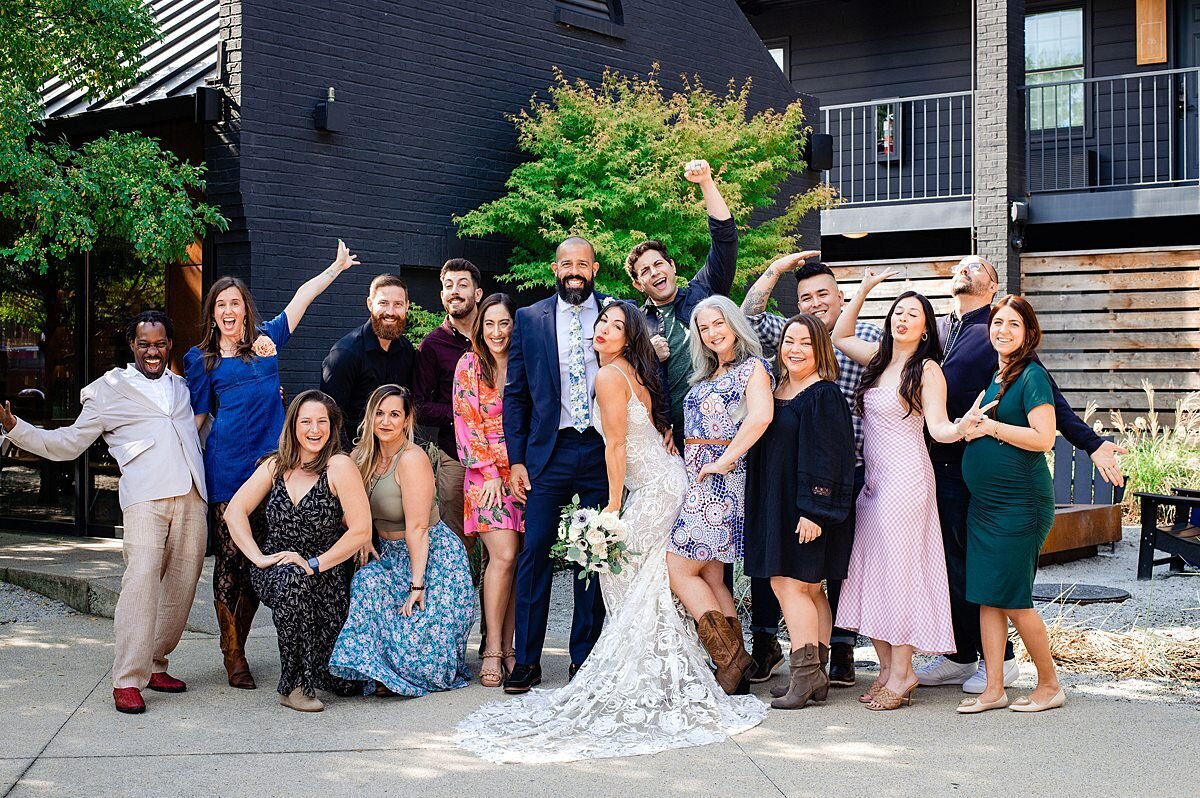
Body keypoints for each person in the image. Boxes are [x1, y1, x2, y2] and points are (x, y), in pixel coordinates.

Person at [456, 301, 767, 763]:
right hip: (669, 479)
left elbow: (617, 446)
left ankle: (657, 669)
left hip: (657, 489)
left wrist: (614, 510)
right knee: (665, 575)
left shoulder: (607, 376)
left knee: (623, 569)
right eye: (602, 322)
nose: (603, 329)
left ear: (629, 336)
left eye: (616, 326)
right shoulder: (629, 371)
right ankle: (722, 666)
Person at [915, 255, 1126, 694]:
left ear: (992, 286)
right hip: (936, 465)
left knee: (984, 571)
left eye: (975, 267)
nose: (963, 269)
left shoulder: (999, 337)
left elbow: (1049, 401)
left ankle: (1004, 663)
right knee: (954, 568)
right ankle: (959, 655)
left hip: (990, 484)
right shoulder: (936, 331)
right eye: (958, 265)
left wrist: (1092, 442)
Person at [1, 312, 206, 715]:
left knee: (182, 587)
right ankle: (128, 679)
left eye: (160, 343)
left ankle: (156, 662)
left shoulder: (183, 388)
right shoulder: (108, 389)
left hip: (191, 496)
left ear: (170, 346)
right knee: (141, 582)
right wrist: (15, 427)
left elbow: (201, 430)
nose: (153, 351)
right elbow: (69, 443)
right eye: (144, 343)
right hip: (145, 498)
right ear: (132, 344)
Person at [185, 240, 359, 690]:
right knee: (228, 560)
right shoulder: (201, 360)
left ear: (245, 309)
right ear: (213, 312)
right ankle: (233, 653)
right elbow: (198, 422)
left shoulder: (267, 340)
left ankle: (244, 638)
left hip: (273, 466)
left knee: (264, 558)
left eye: (235, 303)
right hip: (227, 467)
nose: (228, 310)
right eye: (220, 304)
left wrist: (335, 268)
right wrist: (188, 474)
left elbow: (302, 297)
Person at [830, 268, 982, 712]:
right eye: (898, 312)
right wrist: (864, 288)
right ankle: (886, 671)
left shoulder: (926, 369)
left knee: (897, 576)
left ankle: (904, 671)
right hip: (875, 483)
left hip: (906, 481)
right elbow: (841, 335)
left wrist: (963, 427)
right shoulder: (878, 358)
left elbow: (937, 426)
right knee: (872, 573)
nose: (903, 319)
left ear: (926, 326)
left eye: (913, 314)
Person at [742, 255, 880, 687]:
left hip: (833, 479)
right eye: (806, 298)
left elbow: (828, 448)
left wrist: (815, 506)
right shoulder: (781, 374)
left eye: (823, 294)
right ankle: (812, 669)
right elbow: (748, 316)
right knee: (805, 583)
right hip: (786, 484)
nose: (816, 302)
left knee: (803, 580)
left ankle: (821, 664)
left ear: (839, 295)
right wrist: (776, 268)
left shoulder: (849, 361)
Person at [501, 236, 609, 694]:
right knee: (535, 554)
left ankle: (582, 659)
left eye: (582, 264)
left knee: (596, 553)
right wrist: (517, 460)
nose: (574, 271)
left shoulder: (615, 313)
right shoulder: (530, 318)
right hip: (550, 453)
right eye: (567, 264)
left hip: (603, 451)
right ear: (554, 268)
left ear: (595, 269)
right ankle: (526, 661)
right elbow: (517, 394)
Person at [222, 390, 372, 712]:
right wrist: (259, 558)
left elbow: (361, 529)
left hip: (325, 571)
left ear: (333, 426)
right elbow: (234, 511)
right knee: (290, 577)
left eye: (322, 421)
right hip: (276, 567)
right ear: (293, 426)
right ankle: (294, 687)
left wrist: (313, 564)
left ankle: (317, 671)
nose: (314, 429)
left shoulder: (339, 466)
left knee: (342, 683)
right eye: (305, 421)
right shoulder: (275, 465)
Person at [329, 385, 475, 696]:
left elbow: (418, 528)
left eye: (394, 414)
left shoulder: (412, 458)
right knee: (366, 582)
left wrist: (417, 584)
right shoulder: (358, 458)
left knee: (425, 651)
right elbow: (346, 510)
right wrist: (364, 531)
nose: (385, 421)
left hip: (433, 558)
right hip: (390, 555)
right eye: (379, 413)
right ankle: (382, 672)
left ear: (407, 420)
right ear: (370, 418)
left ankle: (399, 674)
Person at [956, 296, 1064, 714]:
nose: (1002, 330)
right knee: (987, 597)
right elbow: (981, 426)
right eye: (997, 323)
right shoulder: (998, 376)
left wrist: (992, 427)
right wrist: (971, 431)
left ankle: (1050, 684)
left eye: (1013, 324)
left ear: (1028, 332)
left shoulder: (1032, 376)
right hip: (985, 505)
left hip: (1020, 504)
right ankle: (994, 689)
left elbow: (1043, 439)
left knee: (1015, 598)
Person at [745, 314, 855, 710]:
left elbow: (831, 456)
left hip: (806, 508)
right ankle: (818, 675)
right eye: (789, 341)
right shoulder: (778, 387)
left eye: (806, 343)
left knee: (788, 585)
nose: (794, 349)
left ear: (820, 348)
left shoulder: (823, 393)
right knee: (808, 589)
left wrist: (814, 509)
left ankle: (805, 675)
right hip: (780, 502)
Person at [667, 295, 773, 695]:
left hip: (721, 479)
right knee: (710, 572)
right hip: (698, 474)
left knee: (677, 566)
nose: (712, 333)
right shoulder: (705, 375)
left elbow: (761, 416)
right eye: (704, 328)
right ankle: (738, 662)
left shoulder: (753, 368)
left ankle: (729, 660)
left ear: (733, 324)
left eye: (718, 324)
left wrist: (725, 460)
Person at [624, 158, 737, 450]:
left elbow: (725, 241)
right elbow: (630, 381)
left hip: (726, 424)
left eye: (658, 264)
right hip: (673, 437)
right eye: (645, 271)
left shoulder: (705, 293)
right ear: (639, 285)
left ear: (672, 267)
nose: (655, 272)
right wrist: (649, 355)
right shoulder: (636, 322)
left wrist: (706, 183)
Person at [453, 293, 523, 687]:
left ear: (515, 326)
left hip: (522, 474)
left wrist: (519, 467)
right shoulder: (469, 365)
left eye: (504, 323)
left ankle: (511, 648)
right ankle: (493, 647)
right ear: (480, 327)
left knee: (517, 562)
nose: (496, 332)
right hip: (485, 477)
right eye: (490, 324)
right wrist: (491, 471)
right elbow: (466, 421)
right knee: (504, 555)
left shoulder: (524, 364)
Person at [414, 258, 483, 550]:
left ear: (477, 294)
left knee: (503, 547)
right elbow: (418, 405)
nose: (455, 291)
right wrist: (463, 414)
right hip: (455, 458)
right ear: (442, 295)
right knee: (457, 544)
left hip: (501, 457)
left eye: (462, 284)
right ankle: (462, 598)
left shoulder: (496, 335)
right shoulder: (432, 346)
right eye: (448, 286)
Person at [320, 273, 415, 447]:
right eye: (383, 303)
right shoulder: (344, 354)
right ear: (370, 304)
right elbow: (330, 418)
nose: (391, 312)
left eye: (398, 304)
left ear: (407, 306)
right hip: (355, 454)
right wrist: (351, 460)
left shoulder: (407, 351)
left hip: (392, 452)